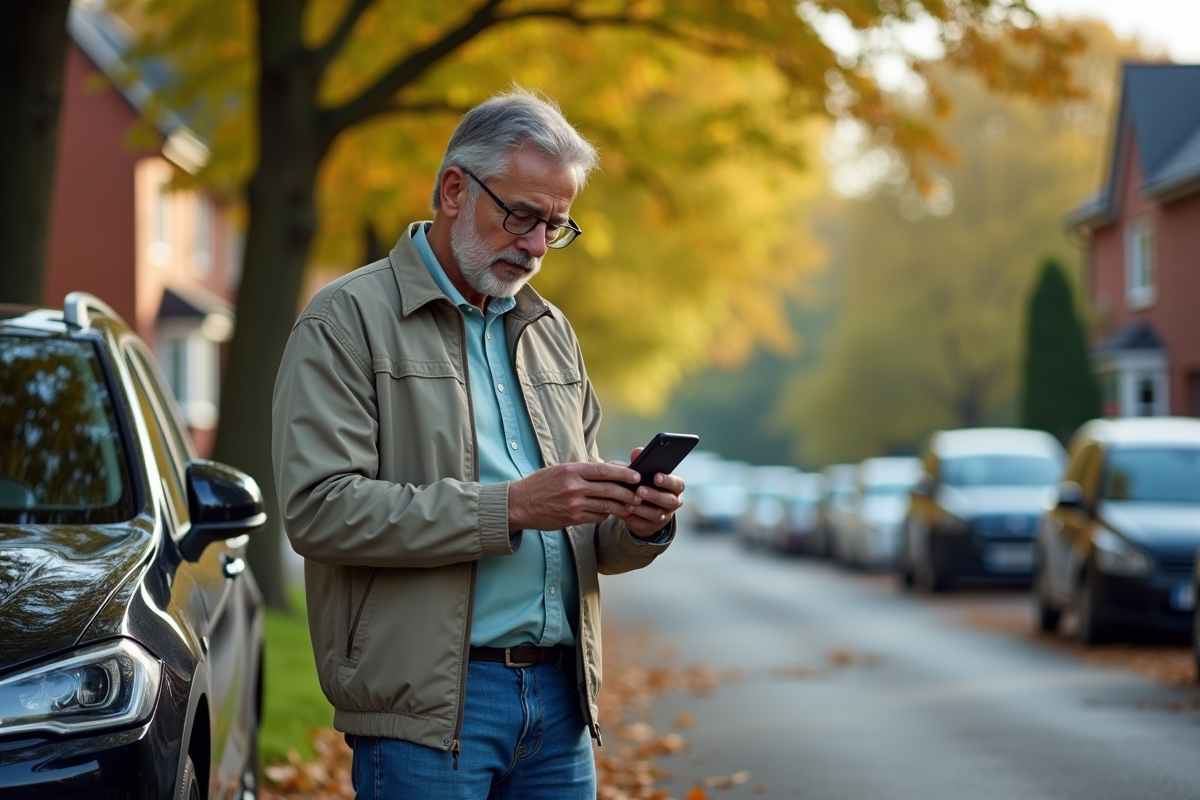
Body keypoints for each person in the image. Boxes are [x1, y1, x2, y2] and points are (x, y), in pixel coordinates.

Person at [271, 87, 684, 800]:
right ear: (454, 190)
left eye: (554, 226)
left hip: (561, 706)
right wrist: (512, 508)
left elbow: (583, 538)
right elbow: (319, 510)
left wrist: (636, 523)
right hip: (428, 714)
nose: (533, 245)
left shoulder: (551, 332)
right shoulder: (344, 321)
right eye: (521, 215)